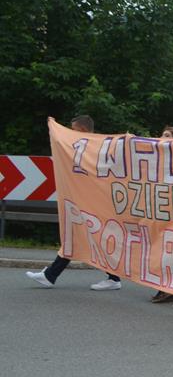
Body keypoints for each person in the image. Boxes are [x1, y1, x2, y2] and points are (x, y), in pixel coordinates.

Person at [26, 115, 124, 291]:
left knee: (91, 240)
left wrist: (55, 127)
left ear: (83, 130)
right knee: (74, 238)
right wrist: (53, 127)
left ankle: (113, 278)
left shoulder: (94, 147)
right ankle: (50, 275)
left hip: (95, 203)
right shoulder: (93, 147)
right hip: (85, 202)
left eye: (74, 130)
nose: (71, 133)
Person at [149, 126, 173, 303]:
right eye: (162, 134)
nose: (162, 138)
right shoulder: (158, 157)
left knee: (169, 250)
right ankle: (166, 288)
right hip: (160, 209)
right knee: (160, 249)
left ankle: (168, 288)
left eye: (167, 135)